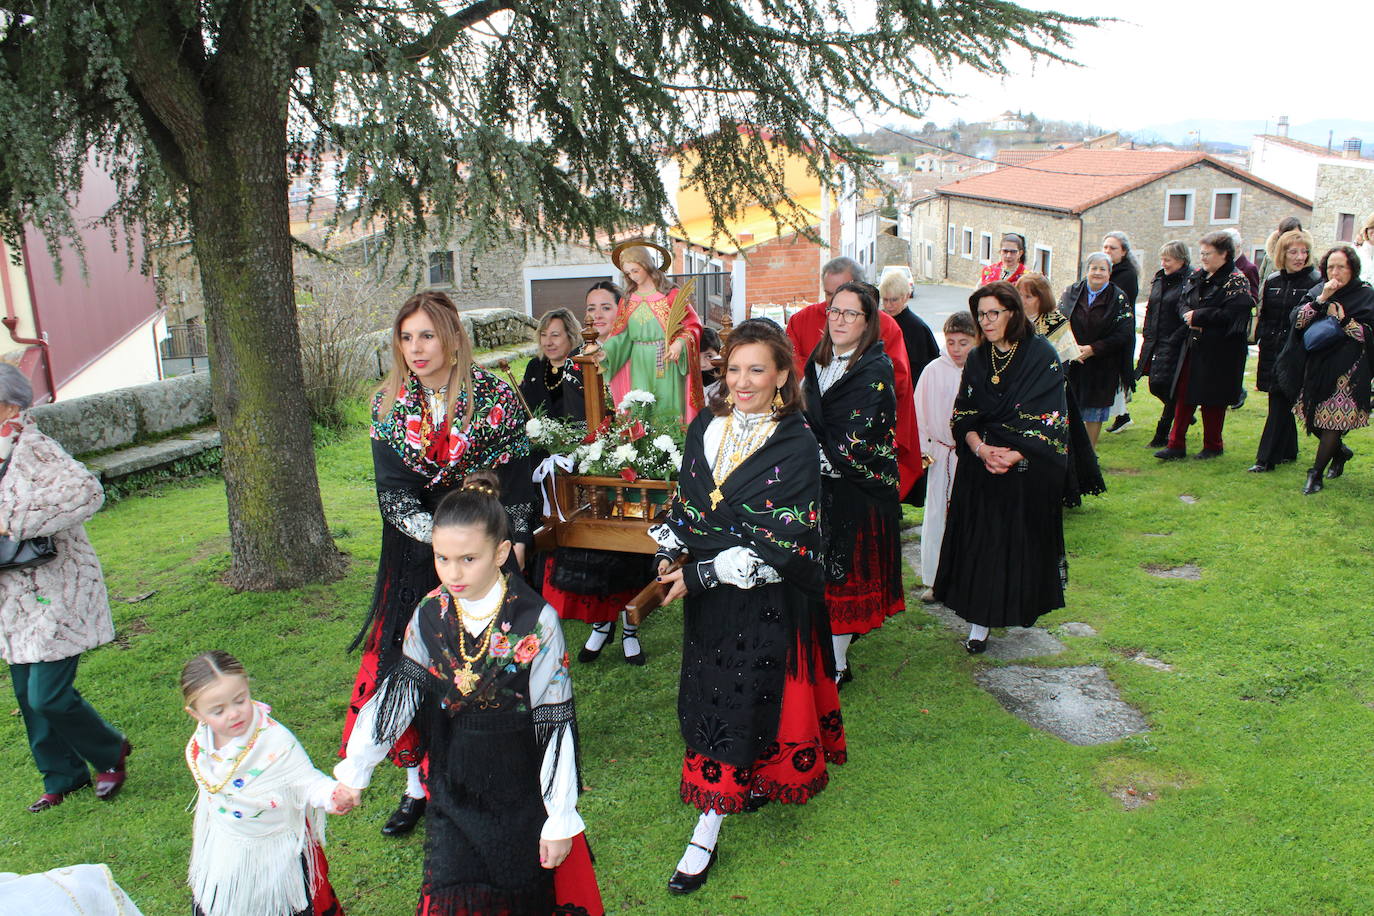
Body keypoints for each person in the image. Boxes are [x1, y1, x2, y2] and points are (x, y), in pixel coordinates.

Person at [336, 473, 601, 916]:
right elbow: (399, 695)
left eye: (468, 559)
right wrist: (356, 767)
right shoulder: (428, 614)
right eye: (442, 558)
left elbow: (554, 724)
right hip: (453, 783)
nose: (452, 573)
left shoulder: (537, 622)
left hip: (520, 791)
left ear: (500, 553)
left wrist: (559, 818)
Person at [651, 319, 845, 895]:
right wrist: (669, 554)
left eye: (757, 369)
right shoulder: (705, 427)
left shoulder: (797, 442)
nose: (742, 381)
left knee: (746, 694)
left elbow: (782, 548)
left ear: (784, 375)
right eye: (733, 368)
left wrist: (701, 572)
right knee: (714, 691)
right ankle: (744, 784)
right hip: (707, 604)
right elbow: (687, 506)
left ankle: (706, 828)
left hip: (767, 603)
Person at [343, 291, 536, 839]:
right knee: (412, 668)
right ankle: (414, 788)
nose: (416, 348)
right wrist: (444, 545)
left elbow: (519, 477)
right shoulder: (387, 404)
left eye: (426, 335)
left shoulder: (496, 394)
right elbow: (393, 495)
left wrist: (512, 538)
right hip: (416, 553)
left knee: (483, 667)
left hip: (485, 555)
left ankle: (479, 773)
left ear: (452, 336)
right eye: (406, 337)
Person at [0, 363, 131, 813]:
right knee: (26, 695)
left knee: (48, 695)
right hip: (11, 597)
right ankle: (62, 775)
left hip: (58, 590)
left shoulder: (35, 449)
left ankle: (110, 751)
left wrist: (14, 522)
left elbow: (86, 494)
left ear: (11, 407)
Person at [934, 282, 1068, 654]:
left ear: (1013, 312)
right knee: (981, 542)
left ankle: (1011, 606)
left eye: (993, 313)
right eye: (981, 315)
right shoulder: (978, 358)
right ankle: (979, 621)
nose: (986, 321)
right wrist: (979, 449)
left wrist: (1013, 454)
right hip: (980, 467)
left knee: (1010, 543)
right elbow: (963, 413)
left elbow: (1051, 418)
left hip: (1021, 469)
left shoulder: (1042, 355)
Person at [182, 650, 347, 916]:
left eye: (240, 700)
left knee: (281, 907)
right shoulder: (200, 745)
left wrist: (332, 795)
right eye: (218, 710)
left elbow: (307, 781)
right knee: (227, 903)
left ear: (247, 688)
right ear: (196, 714)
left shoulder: (275, 742)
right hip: (226, 847)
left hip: (276, 853)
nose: (233, 714)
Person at [543, 282, 656, 666]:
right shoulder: (578, 360)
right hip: (590, 463)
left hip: (632, 462)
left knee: (629, 549)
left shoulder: (636, 353)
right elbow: (575, 416)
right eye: (590, 308)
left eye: (605, 307)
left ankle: (629, 628)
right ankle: (600, 625)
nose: (597, 316)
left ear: (620, 311)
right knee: (594, 547)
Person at [802, 282, 904, 685]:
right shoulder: (820, 359)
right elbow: (807, 413)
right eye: (834, 311)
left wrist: (802, 457)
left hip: (855, 489)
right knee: (820, 578)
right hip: (817, 488)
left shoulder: (875, 369)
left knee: (844, 580)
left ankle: (838, 664)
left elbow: (856, 441)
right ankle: (826, 651)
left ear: (868, 322)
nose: (840, 320)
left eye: (850, 314)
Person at [785, 257, 923, 499]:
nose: (834, 311)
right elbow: (790, 376)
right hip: (810, 458)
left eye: (847, 306)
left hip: (857, 452)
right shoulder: (801, 320)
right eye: (829, 296)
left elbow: (895, 384)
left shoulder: (886, 328)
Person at [1277, 246, 1374, 494]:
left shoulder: (1365, 295)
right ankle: (1339, 452)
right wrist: (1320, 301)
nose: (1335, 271)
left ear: (1353, 269)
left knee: (1332, 419)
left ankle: (1316, 473)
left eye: (1341, 266)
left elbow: (1368, 335)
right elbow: (1297, 321)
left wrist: (1344, 321)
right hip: (1316, 364)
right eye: (1331, 266)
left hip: (1349, 367)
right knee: (1314, 416)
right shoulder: (1319, 290)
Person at [1154, 232, 1254, 460]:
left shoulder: (1237, 281)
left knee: (1213, 399)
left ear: (1224, 254)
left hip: (1221, 351)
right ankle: (1175, 444)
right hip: (1193, 345)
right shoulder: (1198, 275)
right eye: (1202, 253)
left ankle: (1213, 445)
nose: (1203, 258)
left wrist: (1200, 317)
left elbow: (1234, 314)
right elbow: (1182, 302)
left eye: (1208, 254)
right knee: (1183, 393)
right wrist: (1188, 316)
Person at [1016, 272, 1106, 506]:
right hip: (1018, 392)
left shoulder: (1055, 321)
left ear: (1041, 298)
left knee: (1054, 441)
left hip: (1051, 393)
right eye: (1020, 295)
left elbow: (1064, 361)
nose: (1023, 300)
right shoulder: (1014, 320)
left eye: (1029, 296)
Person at [595, 242, 704, 425]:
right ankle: (644, 449)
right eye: (628, 273)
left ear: (646, 265)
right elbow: (622, 336)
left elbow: (692, 326)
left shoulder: (671, 295)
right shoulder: (628, 299)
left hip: (666, 360)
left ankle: (673, 448)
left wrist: (679, 343)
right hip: (638, 361)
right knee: (641, 407)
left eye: (635, 270)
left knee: (667, 406)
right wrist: (606, 352)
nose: (632, 276)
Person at [914, 312, 979, 602]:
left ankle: (969, 578)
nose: (956, 349)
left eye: (963, 342)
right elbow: (919, 414)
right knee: (938, 515)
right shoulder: (933, 371)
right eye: (951, 342)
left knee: (969, 517)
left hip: (973, 456)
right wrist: (925, 451)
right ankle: (936, 579)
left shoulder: (982, 370)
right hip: (942, 454)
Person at [1250, 228, 1319, 472]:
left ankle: (1265, 459)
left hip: (1297, 353)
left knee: (1280, 403)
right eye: (1293, 252)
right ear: (1283, 254)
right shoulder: (1273, 281)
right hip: (1272, 349)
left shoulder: (1314, 282)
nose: (1300, 257)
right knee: (1280, 402)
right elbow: (1266, 316)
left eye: (1304, 252)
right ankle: (1289, 451)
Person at [1058, 252, 1134, 448]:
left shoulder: (1118, 297)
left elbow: (1123, 332)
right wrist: (1071, 349)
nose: (1098, 273)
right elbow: (1057, 323)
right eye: (1094, 268)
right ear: (1087, 271)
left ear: (1110, 272)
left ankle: (1089, 454)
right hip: (1073, 362)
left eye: (1103, 269)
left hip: (1102, 364)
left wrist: (1093, 349)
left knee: (1094, 411)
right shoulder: (1071, 292)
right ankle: (1068, 451)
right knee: (1068, 408)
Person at [1137, 242, 1193, 448]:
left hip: (1176, 341)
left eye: (1168, 260)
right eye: (1162, 259)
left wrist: (1175, 338)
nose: (1163, 263)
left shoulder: (1189, 281)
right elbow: (1153, 308)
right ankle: (1179, 411)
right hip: (1156, 340)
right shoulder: (1160, 279)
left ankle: (1162, 433)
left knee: (1170, 387)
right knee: (1155, 384)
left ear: (1181, 260)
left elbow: (1185, 312)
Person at [1101, 232, 1140, 434]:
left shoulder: (1126, 275)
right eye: (1105, 247)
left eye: (1112, 248)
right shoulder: (1106, 271)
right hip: (1104, 332)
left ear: (1123, 252)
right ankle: (1122, 415)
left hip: (1118, 332)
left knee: (1115, 375)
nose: (1107, 251)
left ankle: (1121, 415)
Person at [519, 308, 585, 421]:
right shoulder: (534, 366)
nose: (548, 342)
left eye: (555, 335)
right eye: (543, 335)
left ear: (571, 336)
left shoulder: (581, 368)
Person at [878, 269, 939, 389]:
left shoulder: (918, 328)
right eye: (885, 299)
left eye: (894, 299)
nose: (889, 305)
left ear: (906, 297)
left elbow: (928, 368)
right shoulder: (876, 322)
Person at [1256, 216, 1303, 281]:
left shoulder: (1306, 260)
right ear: (1280, 236)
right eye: (1287, 235)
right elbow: (1260, 281)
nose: (1291, 239)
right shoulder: (1268, 258)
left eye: (1295, 235)